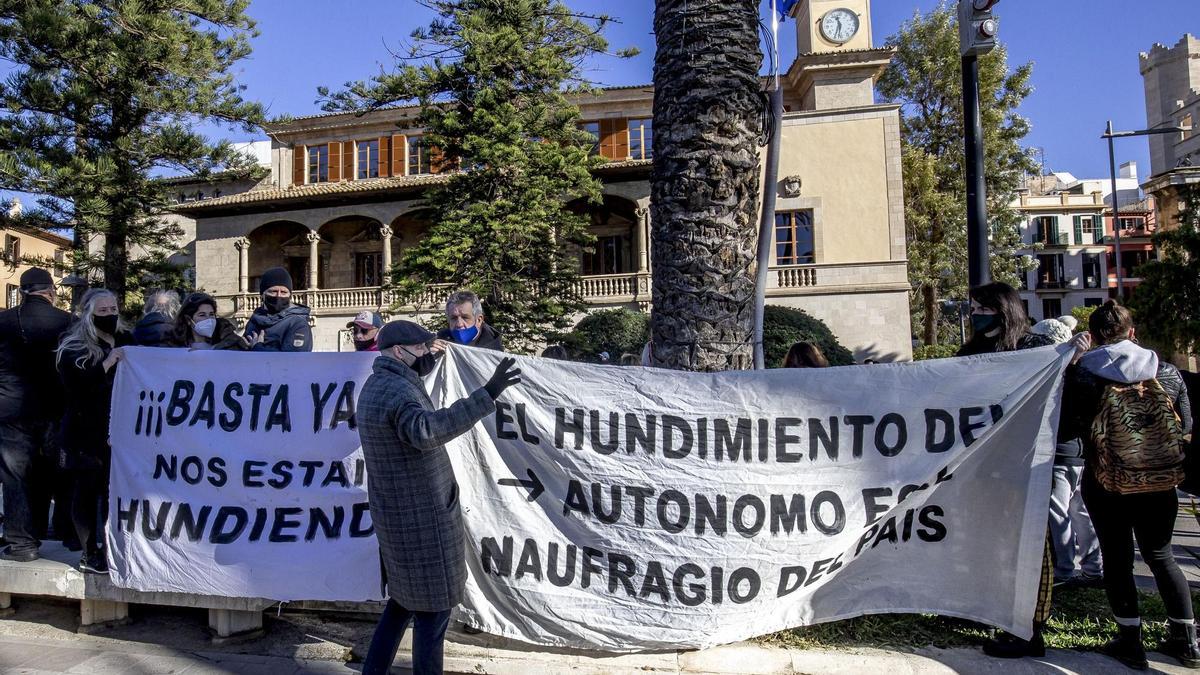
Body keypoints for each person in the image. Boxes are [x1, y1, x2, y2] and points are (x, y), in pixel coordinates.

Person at [357, 321, 522, 674]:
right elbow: (426, 430)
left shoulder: (377, 384)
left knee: (401, 604)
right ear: (399, 352)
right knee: (433, 614)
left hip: (398, 517)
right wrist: (486, 395)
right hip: (421, 521)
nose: (427, 354)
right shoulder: (397, 391)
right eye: (421, 349)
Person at [1064, 301, 1196, 669]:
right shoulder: (1166, 372)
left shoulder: (1084, 376)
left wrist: (1072, 366)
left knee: (1118, 558)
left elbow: (1067, 429)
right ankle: (1185, 640)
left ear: (1092, 337)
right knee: (1161, 555)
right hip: (1160, 481)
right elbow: (1183, 425)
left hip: (1106, 481)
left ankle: (1129, 641)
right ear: (1132, 333)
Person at [958, 283, 1055, 659]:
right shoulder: (969, 353)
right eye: (973, 308)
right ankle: (992, 609)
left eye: (981, 307)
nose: (975, 314)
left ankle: (1030, 627)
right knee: (990, 543)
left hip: (1025, 467)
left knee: (1030, 547)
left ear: (1001, 310)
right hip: (985, 468)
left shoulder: (1036, 351)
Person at [56, 289, 132, 574]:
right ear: (87, 314)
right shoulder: (73, 346)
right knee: (86, 491)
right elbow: (77, 389)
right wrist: (107, 363)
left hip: (120, 431)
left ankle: (115, 548)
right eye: (102, 311)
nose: (110, 315)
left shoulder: (127, 338)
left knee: (113, 491)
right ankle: (90, 552)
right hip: (84, 432)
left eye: (113, 308)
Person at [0, 268, 72, 561]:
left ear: (23, 291)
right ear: (51, 293)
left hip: (11, 410)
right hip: (56, 409)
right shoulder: (69, 322)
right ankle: (67, 534)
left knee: (15, 477)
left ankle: (21, 543)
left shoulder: (2, 321)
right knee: (62, 474)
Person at [1031, 319, 1103, 588]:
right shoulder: (1086, 374)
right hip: (1081, 454)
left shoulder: (1060, 378)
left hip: (1059, 454)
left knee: (1058, 513)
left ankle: (1064, 569)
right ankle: (1093, 567)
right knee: (1080, 513)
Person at [243, 267, 312, 352]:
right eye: (273, 291)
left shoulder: (298, 324)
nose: (278, 296)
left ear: (290, 295)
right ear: (262, 294)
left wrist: (258, 348)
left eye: (283, 292)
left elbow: (293, 361)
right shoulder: (254, 320)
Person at [171, 292, 248, 350]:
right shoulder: (173, 347)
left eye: (211, 314)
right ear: (188, 320)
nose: (209, 319)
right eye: (202, 315)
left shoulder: (229, 343)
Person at [437, 290, 503, 351]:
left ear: (479, 320)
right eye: (454, 318)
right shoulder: (440, 341)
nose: (459, 324)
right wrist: (430, 357)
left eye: (465, 317)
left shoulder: (495, 353)